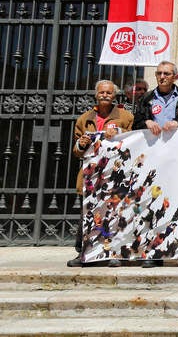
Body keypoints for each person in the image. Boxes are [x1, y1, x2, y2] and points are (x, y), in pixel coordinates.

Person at [133, 61, 178, 268]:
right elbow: (135, 124)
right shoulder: (146, 99)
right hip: (154, 163)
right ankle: (154, 253)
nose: (162, 77)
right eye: (159, 73)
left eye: (166, 73)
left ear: (175, 77)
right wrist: (146, 122)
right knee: (154, 206)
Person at [68, 80, 134, 268]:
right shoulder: (84, 119)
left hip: (115, 174)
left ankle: (114, 252)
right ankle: (85, 254)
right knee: (88, 215)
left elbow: (134, 141)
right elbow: (77, 151)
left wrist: (119, 131)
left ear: (115, 95)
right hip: (91, 176)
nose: (105, 95)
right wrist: (81, 144)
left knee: (114, 215)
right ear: (96, 94)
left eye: (109, 93)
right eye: (102, 92)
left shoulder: (126, 117)